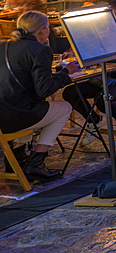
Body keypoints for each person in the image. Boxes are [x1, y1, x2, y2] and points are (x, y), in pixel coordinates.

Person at [63, 0, 116, 147]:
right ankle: (94, 121)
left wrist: (110, 47)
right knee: (71, 92)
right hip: (107, 77)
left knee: (104, 98)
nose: (110, 20)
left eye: (114, 15)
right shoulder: (103, 32)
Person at [0, 11, 76, 182]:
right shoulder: (41, 50)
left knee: (29, 103)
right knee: (64, 108)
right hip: (17, 115)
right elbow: (44, 90)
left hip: (3, 113)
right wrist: (65, 73)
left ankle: (16, 159)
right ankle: (36, 162)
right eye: (48, 27)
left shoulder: (3, 46)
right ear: (43, 30)